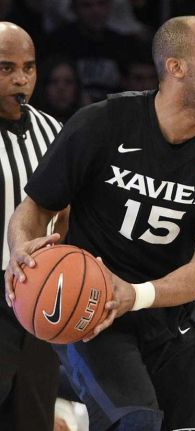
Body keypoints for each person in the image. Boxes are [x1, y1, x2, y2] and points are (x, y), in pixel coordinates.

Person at [5, 15, 195, 430]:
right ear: (176, 68)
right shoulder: (103, 123)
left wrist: (137, 294)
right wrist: (22, 247)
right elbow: (34, 208)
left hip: (172, 317)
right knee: (137, 421)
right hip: (93, 314)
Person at [0, 21, 65, 431]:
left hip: (40, 297)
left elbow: (71, 213)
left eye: (29, 67)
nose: (21, 79)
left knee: (33, 418)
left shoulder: (54, 130)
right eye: (6, 68)